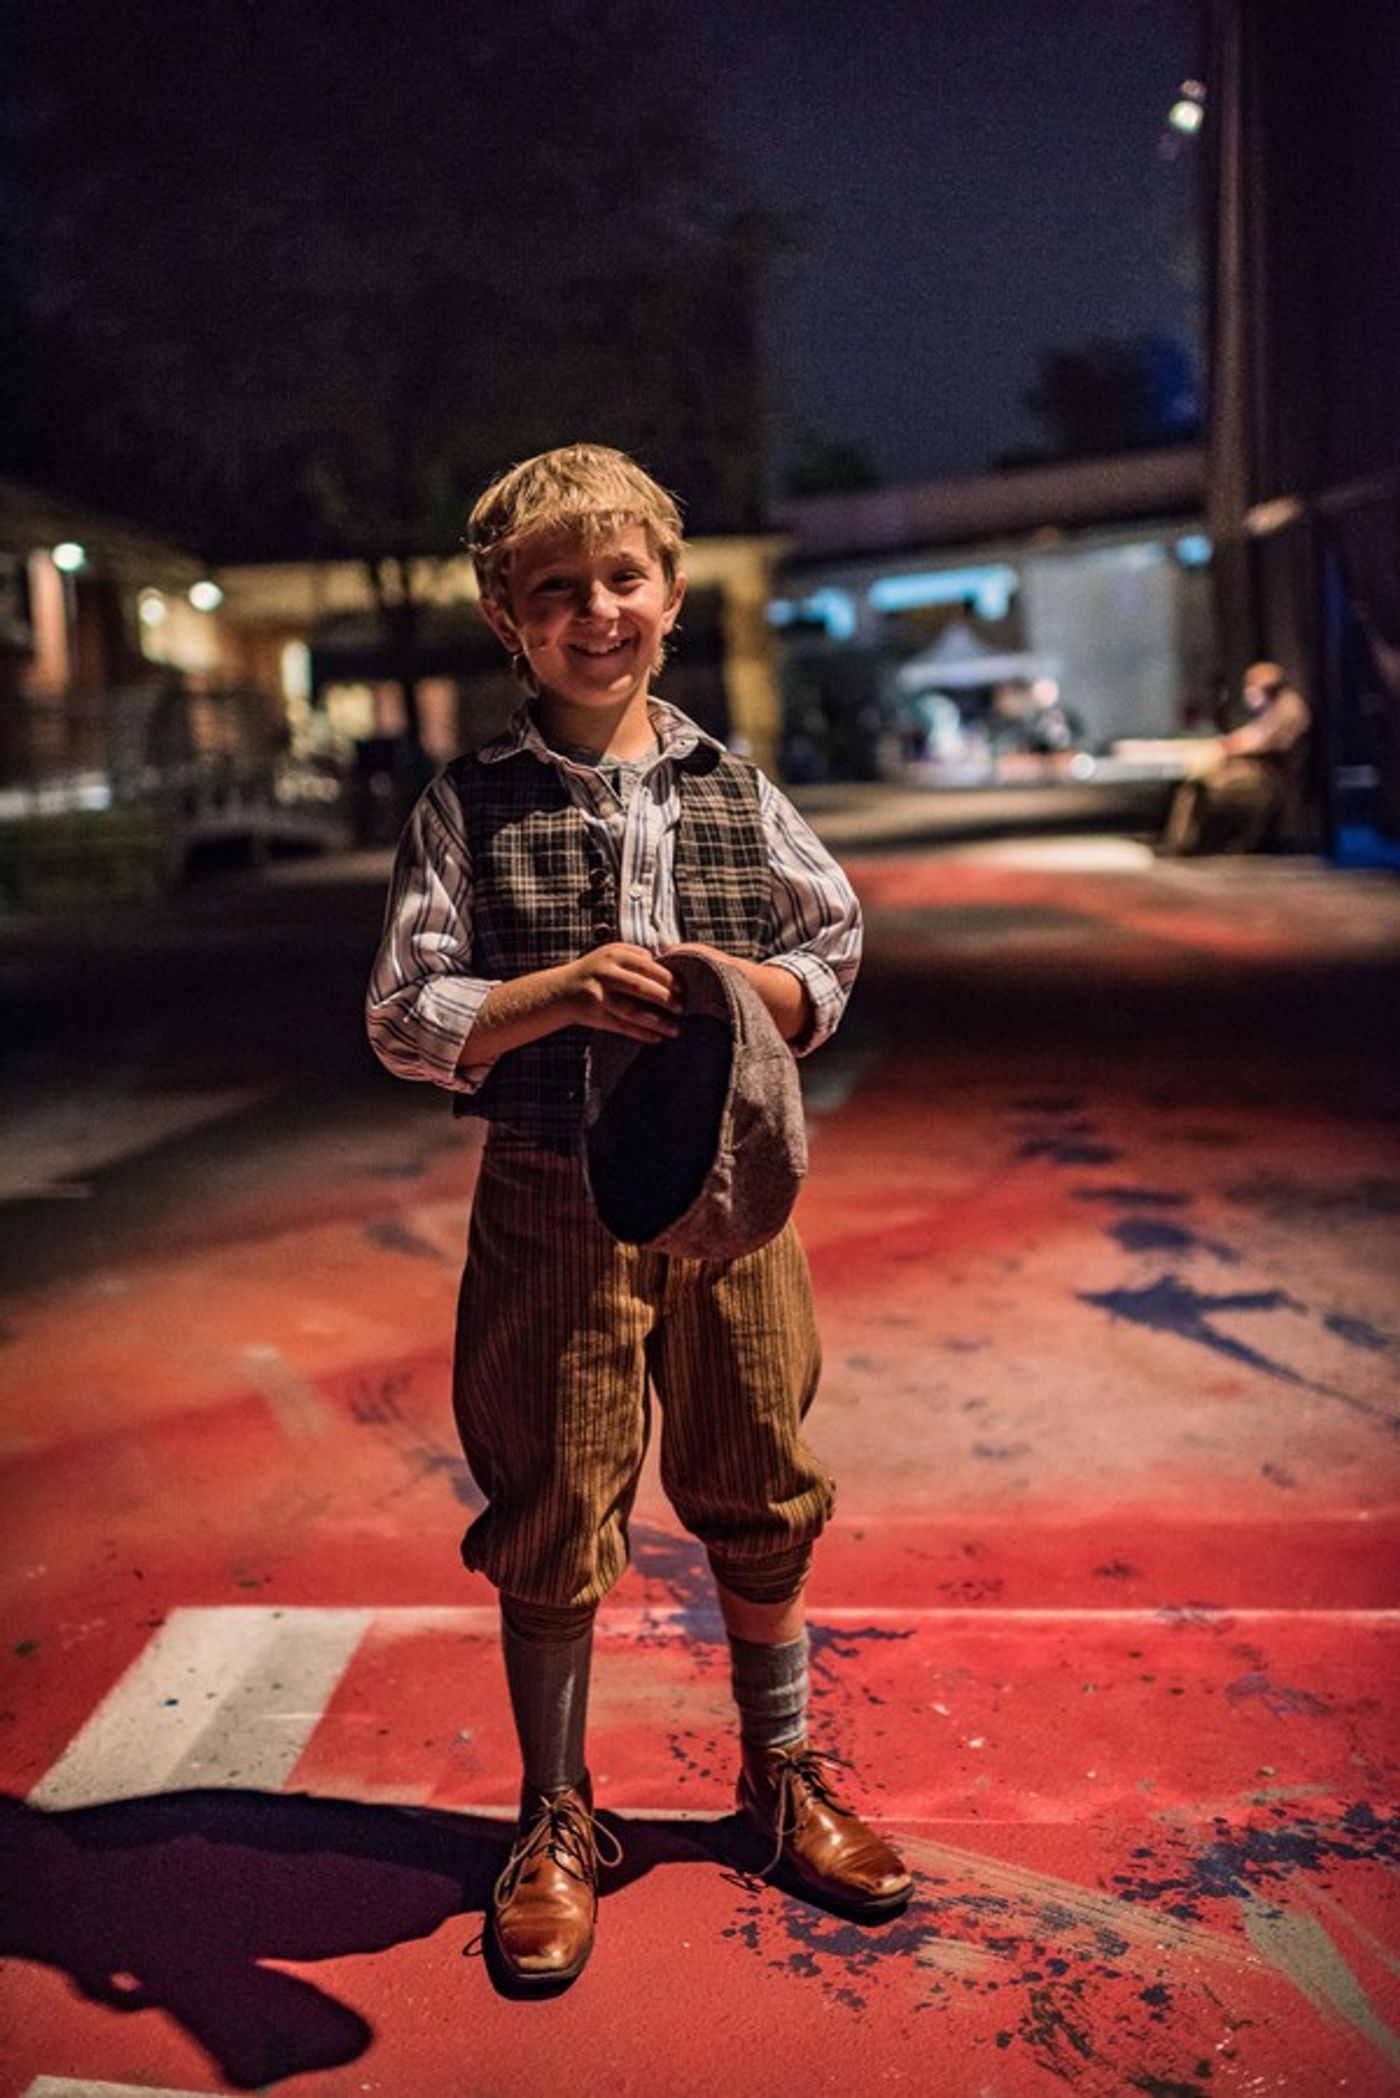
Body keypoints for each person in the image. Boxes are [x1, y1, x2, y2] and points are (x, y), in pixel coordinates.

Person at [366, 444, 910, 1989]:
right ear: (504, 618)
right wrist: (549, 992)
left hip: (732, 1191)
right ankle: (554, 1810)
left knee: (758, 1463)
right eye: (556, 591)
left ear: (670, 594)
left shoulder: (738, 785)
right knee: (550, 1487)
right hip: (549, 1192)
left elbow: (834, 943)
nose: (595, 611)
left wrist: (754, 987)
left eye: (622, 580)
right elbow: (405, 1011)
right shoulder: (467, 807)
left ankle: (783, 1768)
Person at [1160, 659, 1312, 855]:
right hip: (1255, 767)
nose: (1250, 691)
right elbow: (1249, 735)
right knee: (1193, 781)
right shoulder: (1271, 709)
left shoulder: (1289, 707)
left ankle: (1188, 844)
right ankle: (1184, 842)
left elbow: (1265, 743)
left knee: (1203, 782)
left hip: (1268, 775)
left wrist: (1229, 748)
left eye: (1256, 685)